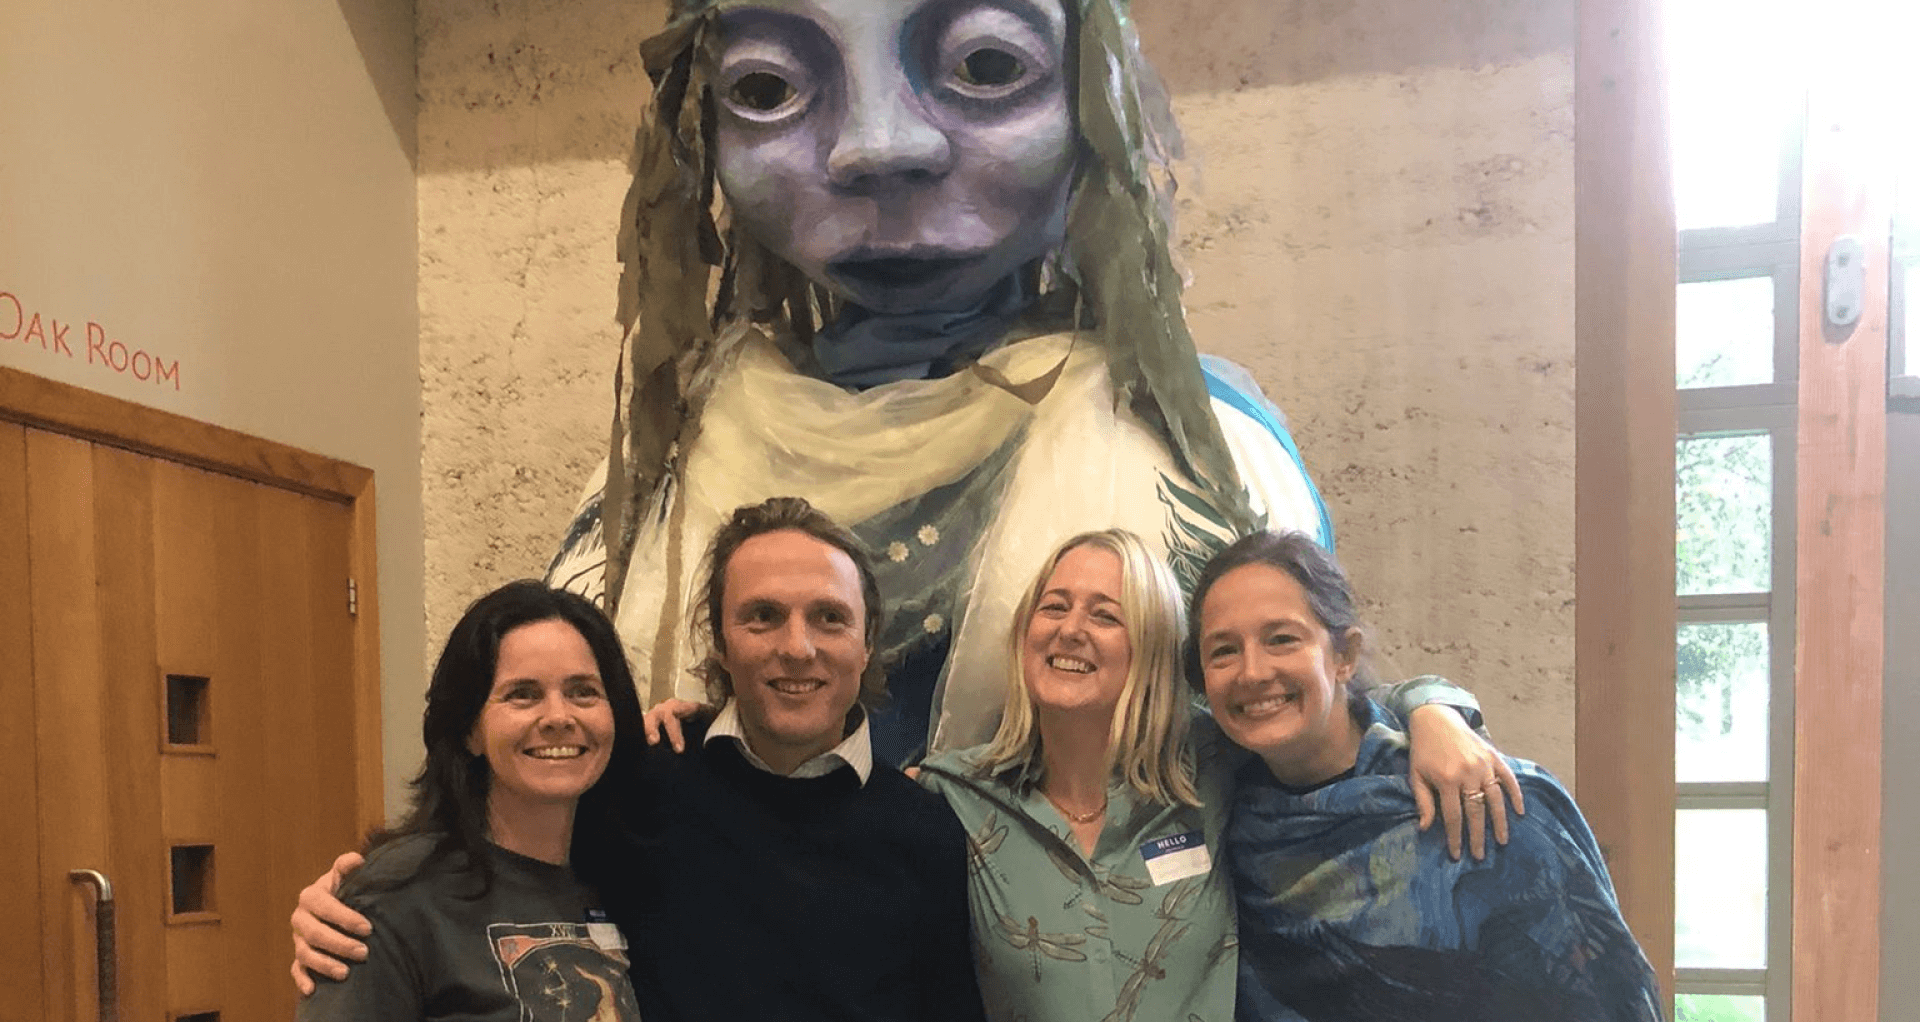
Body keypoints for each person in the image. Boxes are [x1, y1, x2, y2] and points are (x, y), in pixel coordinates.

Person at [544, 0, 1344, 766]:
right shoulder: (674, 456)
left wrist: (1426, 715)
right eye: (766, 88)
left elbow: (1305, 708)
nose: (878, 146)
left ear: (1094, 100)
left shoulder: (1194, 450)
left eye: (988, 64)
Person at [644, 527, 1522, 1022]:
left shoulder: (1216, 772)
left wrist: (1434, 710)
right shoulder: (947, 797)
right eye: (1053, 607)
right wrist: (688, 721)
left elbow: (1315, 708)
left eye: (1105, 613)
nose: (1071, 629)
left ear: (1145, 643)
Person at [295, 497, 987, 1022]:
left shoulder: (925, 831)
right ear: (719, 643)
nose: (797, 647)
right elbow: (491, 850)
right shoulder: (646, 786)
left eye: (829, 618)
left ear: (869, 645)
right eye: (762, 616)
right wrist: (347, 898)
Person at [1187, 532, 1662, 1022]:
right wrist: (1430, 704)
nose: (1252, 672)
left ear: (1344, 655)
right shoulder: (1220, 813)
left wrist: (1435, 711)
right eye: (1223, 651)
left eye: (1282, 639)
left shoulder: (1484, 801)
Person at [295, 580, 647, 1021]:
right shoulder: (396, 897)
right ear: (469, 730)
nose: (559, 717)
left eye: (583, 692)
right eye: (523, 694)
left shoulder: (628, 878)